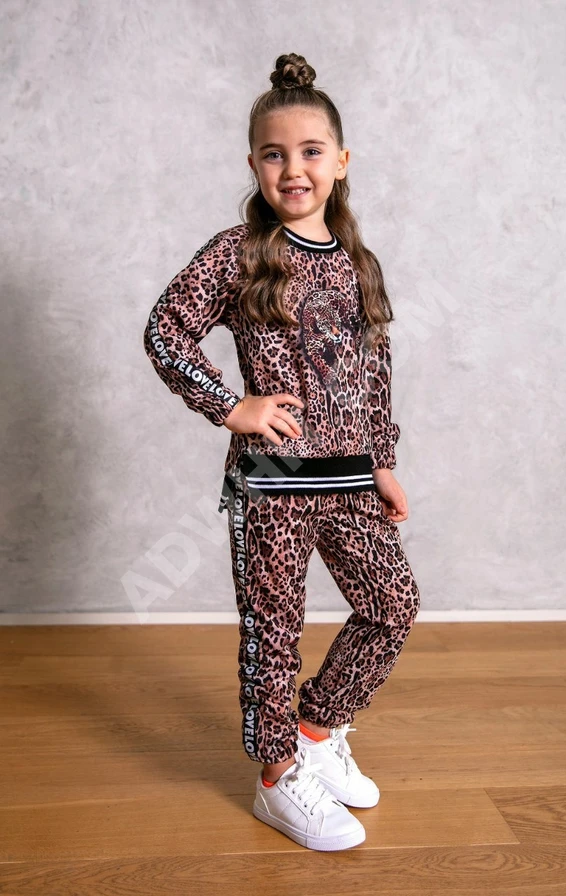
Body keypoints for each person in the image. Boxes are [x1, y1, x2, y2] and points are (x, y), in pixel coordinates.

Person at [143, 52, 421, 852]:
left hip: (351, 479)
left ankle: (315, 730)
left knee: (391, 605)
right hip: (272, 484)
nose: (292, 168)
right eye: (273, 153)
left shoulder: (358, 264)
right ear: (253, 165)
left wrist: (382, 460)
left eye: (309, 151)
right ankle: (275, 779)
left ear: (341, 161)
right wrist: (231, 406)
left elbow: (373, 370)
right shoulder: (237, 252)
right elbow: (165, 332)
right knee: (273, 629)